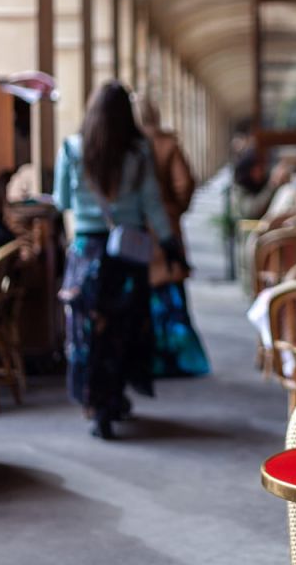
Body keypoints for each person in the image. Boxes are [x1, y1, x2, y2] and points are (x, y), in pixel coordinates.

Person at [54, 80, 182, 440]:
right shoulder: (138, 152)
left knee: (87, 330)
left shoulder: (71, 149)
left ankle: (94, 403)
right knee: (123, 329)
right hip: (127, 253)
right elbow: (152, 204)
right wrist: (169, 243)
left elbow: (62, 201)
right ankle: (115, 397)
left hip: (87, 252)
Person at [137, 97, 209, 377]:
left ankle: (149, 359)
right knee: (172, 294)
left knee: (143, 296)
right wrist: (174, 209)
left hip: (137, 228)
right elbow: (184, 183)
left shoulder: (129, 146)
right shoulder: (167, 144)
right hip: (165, 227)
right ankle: (180, 358)